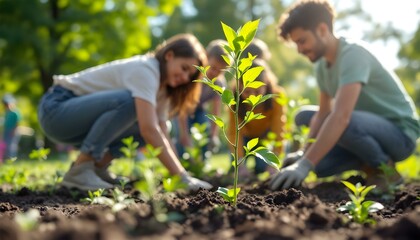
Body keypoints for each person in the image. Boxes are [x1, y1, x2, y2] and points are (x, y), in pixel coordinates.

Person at [270, 0, 420, 191]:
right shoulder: (321, 66)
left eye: (302, 41)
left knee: (341, 122)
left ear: (322, 29)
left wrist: (304, 165)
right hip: (361, 128)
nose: (299, 50)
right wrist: (303, 154)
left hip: (400, 135)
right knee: (316, 150)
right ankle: (369, 165)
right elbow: (323, 113)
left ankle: (387, 172)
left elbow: (340, 117)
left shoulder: (353, 55)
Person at [38, 33, 213, 191]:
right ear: (169, 56)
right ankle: (80, 170)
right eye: (184, 68)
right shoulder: (146, 70)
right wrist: (181, 177)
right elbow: (149, 129)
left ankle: (96, 168)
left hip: (75, 123)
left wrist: (182, 175)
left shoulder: (163, 90)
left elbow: (161, 133)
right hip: (56, 111)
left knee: (156, 125)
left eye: (190, 75)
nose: (184, 78)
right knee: (130, 103)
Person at [228, 58, 287, 176]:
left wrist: (274, 161)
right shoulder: (234, 100)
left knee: (261, 167)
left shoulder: (277, 96)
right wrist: (239, 161)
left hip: (265, 137)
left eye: (258, 91)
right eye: (247, 91)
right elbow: (234, 133)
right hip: (244, 137)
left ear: (266, 84)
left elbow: (278, 128)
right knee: (235, 167)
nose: (252, 96)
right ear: (239, 87)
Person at [174, 39, 228, 160]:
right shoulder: (193, 75)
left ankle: (203, 162)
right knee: (181, 136)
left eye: (220, 71)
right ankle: (180, 162)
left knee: (206, 131)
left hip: (199, 109)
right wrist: (184, 135)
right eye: (213, 67)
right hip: (181, 109)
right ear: (205, 58)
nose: (215, 73)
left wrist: (214, 135)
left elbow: (216, 111)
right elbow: (181, 105)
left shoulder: (218, 83)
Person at [2, 94, 21, 160]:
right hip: (7, 129)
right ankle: (6, 158)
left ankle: (12, 158)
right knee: (6, 144)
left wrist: (14, 130)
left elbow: (17, 122)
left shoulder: (15, 112)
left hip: (13, 130)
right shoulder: (7, 112)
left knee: (12, 145)